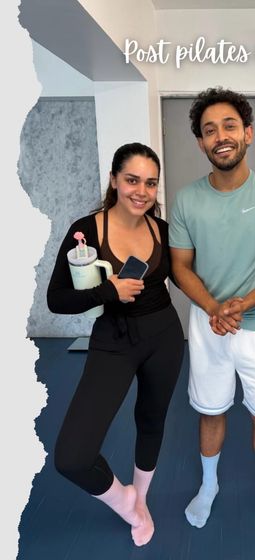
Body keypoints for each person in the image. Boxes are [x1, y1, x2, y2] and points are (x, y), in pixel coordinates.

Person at [169, 87, 255, 531]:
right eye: (209, 130)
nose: (220, 136)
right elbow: (180, 266)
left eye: (229, 126)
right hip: (207, 323)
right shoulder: (186, 199)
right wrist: (214, 307)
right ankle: (209, 485)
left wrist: (243, 303)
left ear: (248, 133)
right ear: (200, 143)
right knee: (210, 410)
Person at [47, 142, 184, 547]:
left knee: (151, 420)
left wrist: (225, 302)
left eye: (151, 183)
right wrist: (108, 291)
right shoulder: (86, 231)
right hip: (113, 341)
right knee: (72, 456)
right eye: (132, 180)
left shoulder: (162, 230)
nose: (142, 191)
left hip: (164, 337)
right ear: (113, 180)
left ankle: (141, 499)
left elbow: (187, 277)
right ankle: (126, 501)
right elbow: (57, 300)